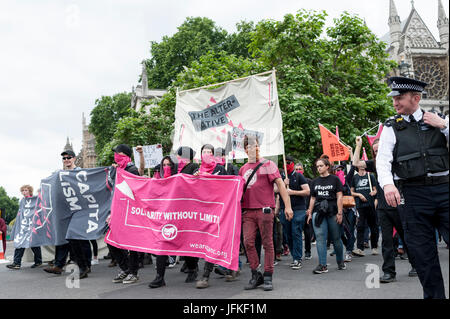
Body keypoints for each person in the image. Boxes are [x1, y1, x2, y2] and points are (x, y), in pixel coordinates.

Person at [376, 76, 449, 299]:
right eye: (394, 99)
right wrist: (388, 185)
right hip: (414, 195)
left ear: (416, 98)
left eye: (399, 98)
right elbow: (383, 160)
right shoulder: (391, 127)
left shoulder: (441, 119)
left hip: (445, 191)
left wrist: (444, 126)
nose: (395, 103)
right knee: (424, 257)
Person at [353, 136, 416, 283]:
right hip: (383, 207)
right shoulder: (375, 164)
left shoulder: (398, 161)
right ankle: (389, 272)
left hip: (400, 205)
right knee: (387, 241)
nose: (377, 152)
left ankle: (416, 265)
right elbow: (356, 163)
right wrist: (358, 146)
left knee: (407, 238)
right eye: (375, 151)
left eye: (380, 149)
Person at [240, 135, 293, 291]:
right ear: (245, 149)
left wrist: (288, 206)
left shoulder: (268, 164)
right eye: (250, 146)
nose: (254, 148)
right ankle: (256, 274)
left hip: (265, 210)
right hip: (248, 211)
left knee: (267, 243)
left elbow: (281, 186)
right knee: (248, 242)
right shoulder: (243, 169)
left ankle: (268, 275)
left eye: (256, 145)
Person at [44, 150, 90, 279]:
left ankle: (85, 265)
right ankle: (60, 265)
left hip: (79, 211)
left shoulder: (81, 173)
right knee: (64, 237)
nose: (66, 160)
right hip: (65, 212)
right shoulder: (59, 174)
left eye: (69, 157)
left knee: (80, 240)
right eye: (64, 158)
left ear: (74, 158)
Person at [107, 144, 142, 284]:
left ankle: (133, 272)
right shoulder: (116, 170)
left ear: (126, 155)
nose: (115, 155)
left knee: (132, 244)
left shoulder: (132, 170)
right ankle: (125, 268)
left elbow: (137, 191)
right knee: (111, 241)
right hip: (117, 211)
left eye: (118, 153)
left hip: (130, 211)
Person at [194, 144, 227, 289]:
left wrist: (211, 178)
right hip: (201, 212)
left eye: (209, 152)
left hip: (216, 211)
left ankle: (205, 276)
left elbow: (227, 186)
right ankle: (231, 268)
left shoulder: (220, 169)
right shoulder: (196, 170)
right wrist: (194, 179)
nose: (206, 154)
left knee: (212, 242)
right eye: (204, 152)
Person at [306, 157, 346, 274]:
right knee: (320, 238)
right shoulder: (314, 182)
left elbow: (339, 196)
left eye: (321, 166)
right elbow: (313, 198)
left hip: (333, 212)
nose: (319, 168)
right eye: (317, 166)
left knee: (336, 238)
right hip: (319, 213)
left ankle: (340, 261)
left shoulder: (335, 180)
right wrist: (310, 212)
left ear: (327, 167)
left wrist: (340, 213)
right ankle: (323, 265)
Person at [148, 154, 179, 288]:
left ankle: (193, 269)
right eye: (164, 165)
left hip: (178, 218)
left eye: (169, 165)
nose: (166, 167)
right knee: (160, 246)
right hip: (163, 219)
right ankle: (160, 277)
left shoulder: (180, 179)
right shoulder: (158, 180)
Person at [277, 155, 310, 270]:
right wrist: (282, 184)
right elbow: (275, 190)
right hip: (284, 209)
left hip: (298, 209)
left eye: (289, 162)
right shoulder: (280, 176)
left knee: (296, 232)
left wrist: (292, 192)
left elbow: (307, 191)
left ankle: (297, 258)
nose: (287, 164)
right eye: (285, 162)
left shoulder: (298, 176)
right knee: (288, 234)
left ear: (293, 163)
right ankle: (294, 255)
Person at [6, 185, 42, 270]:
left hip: (31, 225)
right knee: (20, 243)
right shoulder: (22, 200)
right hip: (23, 226)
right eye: (23, 190)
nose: (24, 192)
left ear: (30, 191)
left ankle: (38, 261)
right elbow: (20, 213)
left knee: (34, 244)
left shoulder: (35, 199)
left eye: (26, 190)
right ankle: (16, 263)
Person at [350, 166, 379, 257]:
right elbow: (351, 192)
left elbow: (375, 190)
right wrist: (359, 194)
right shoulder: (355, 177)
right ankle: (360, 248)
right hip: (360, 206)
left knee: (373, 227)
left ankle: (374, 247)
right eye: (360, 163)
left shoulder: (371, 176)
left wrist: (374, 193)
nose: (362, 165)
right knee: (360, 226)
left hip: (371, 205)